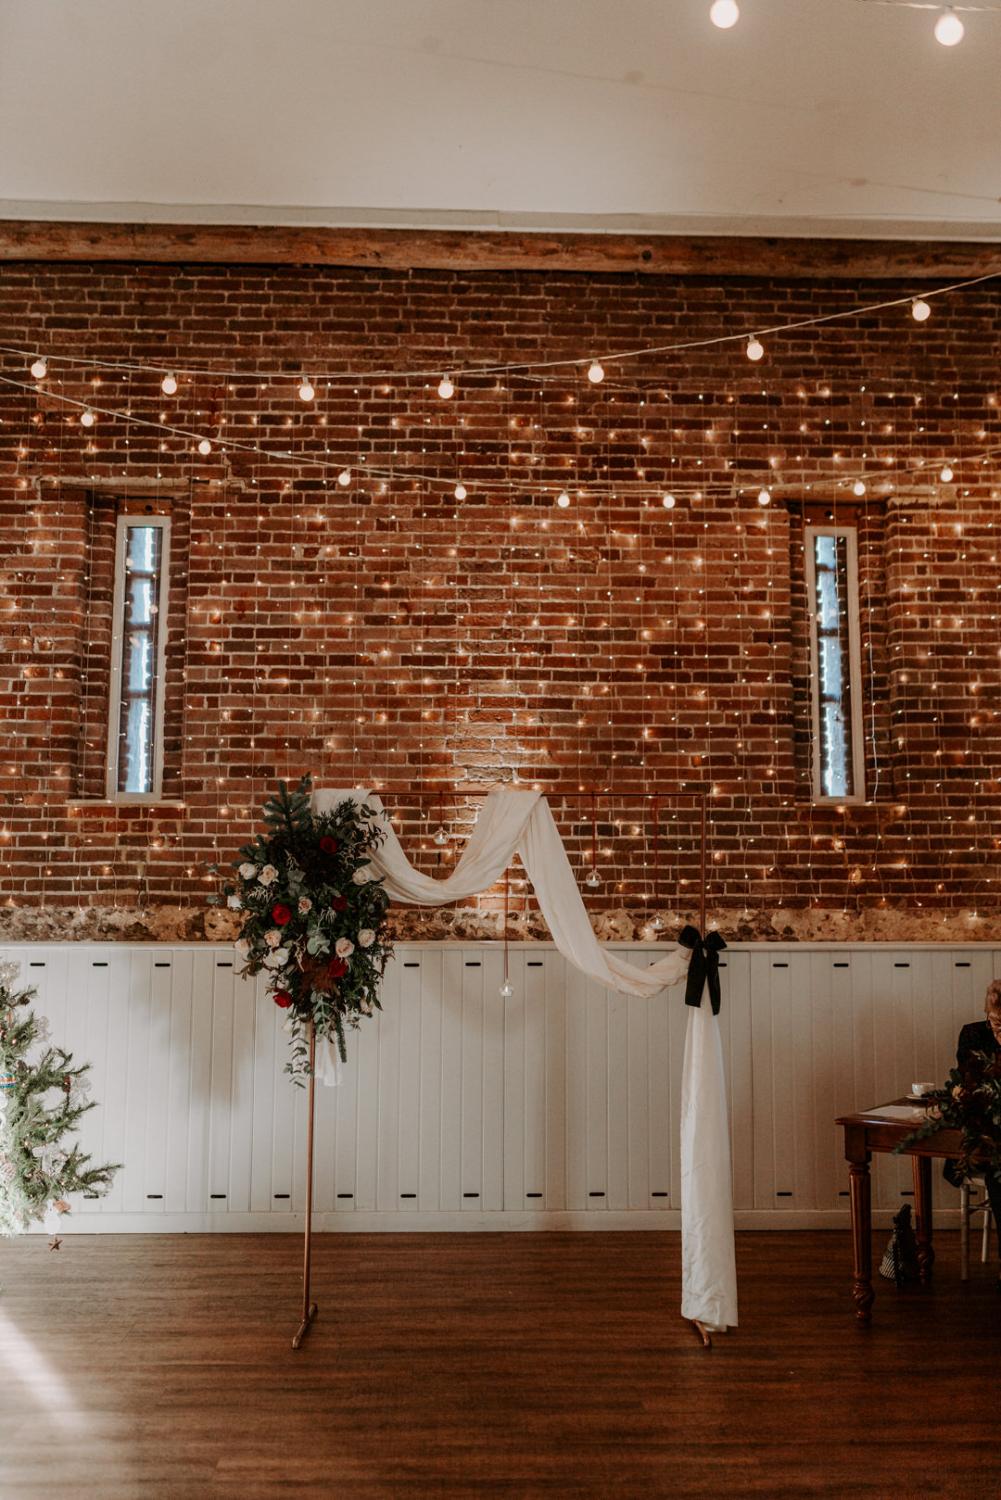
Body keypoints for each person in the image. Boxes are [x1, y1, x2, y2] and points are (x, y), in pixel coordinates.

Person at [946, 979, 1001, 1279]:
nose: (998, 1030)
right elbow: (967, 1082)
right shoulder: (973, 1034)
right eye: (995, 1022)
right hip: (984, 1132)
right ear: (987, 1013)